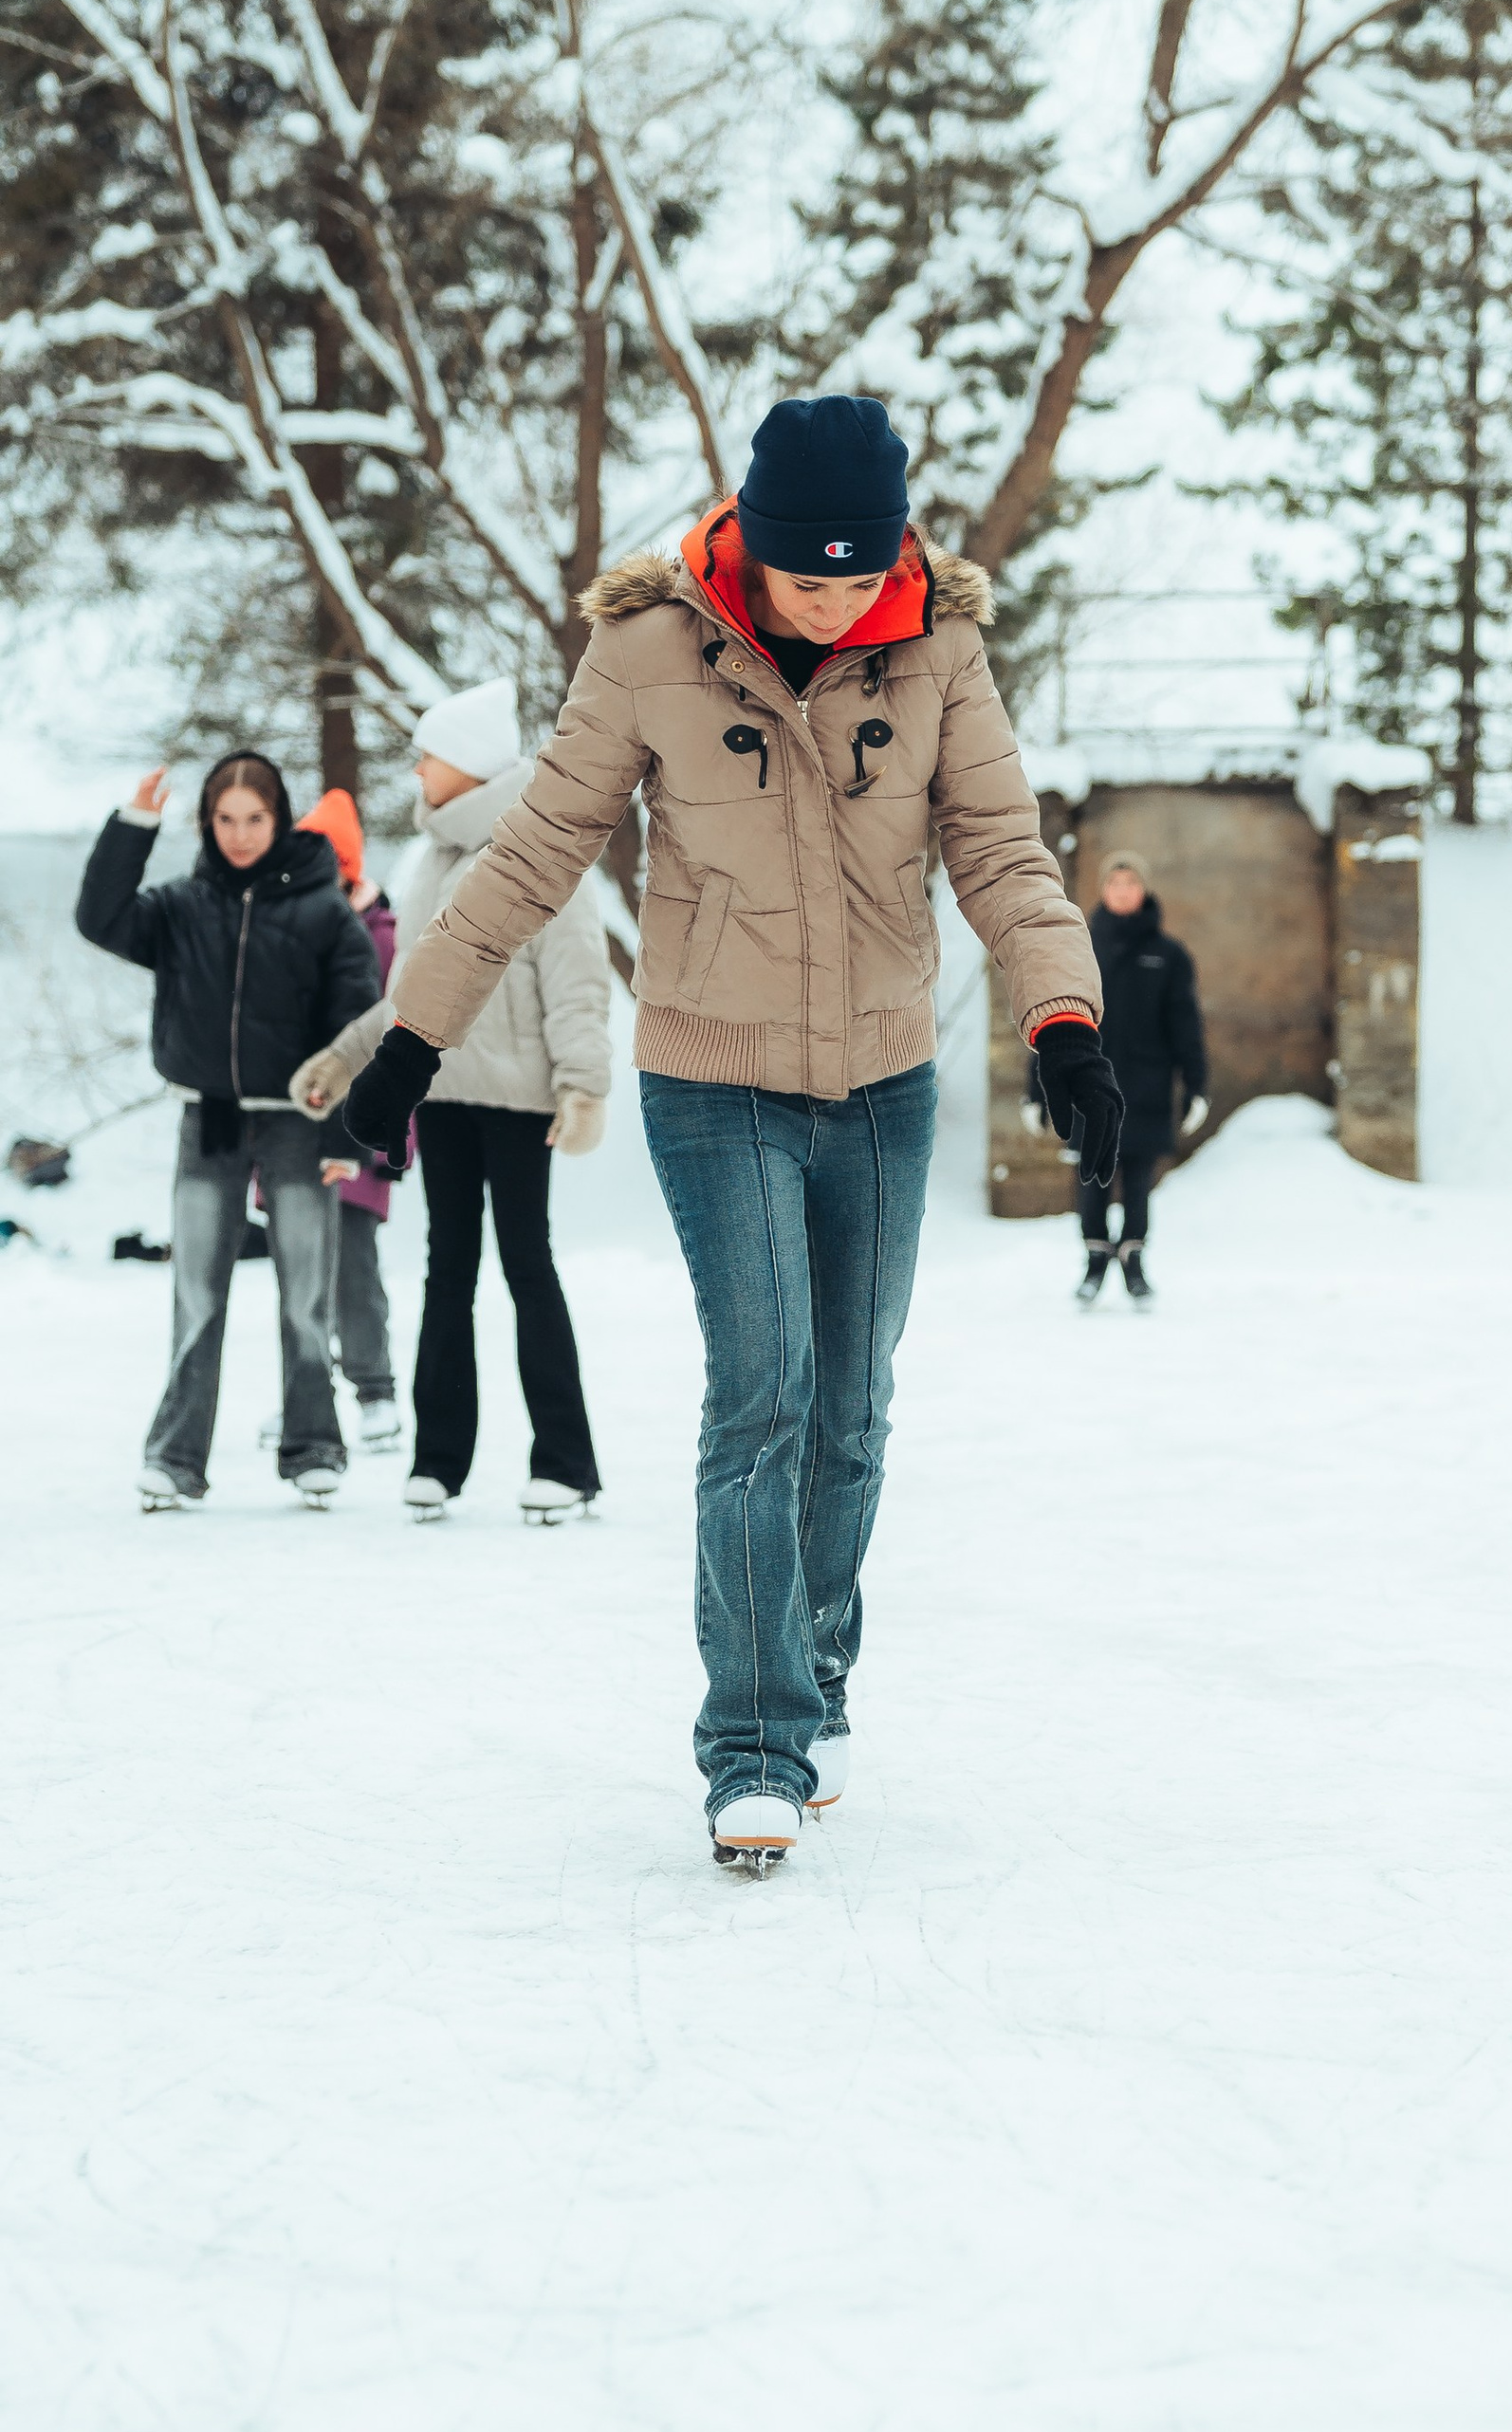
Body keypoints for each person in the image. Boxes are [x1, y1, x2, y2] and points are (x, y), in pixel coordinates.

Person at [341, 394, 1118, 1870]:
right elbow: (530, 855)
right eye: (803, 577)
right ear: (750, 548)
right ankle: (753, 1737)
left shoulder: (940, 651)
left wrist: (1062, 1020)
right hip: (712, 1080)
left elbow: (1005, 853)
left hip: (883, 1078)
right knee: (762, 1389)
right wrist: (410, 1040)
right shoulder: (649, 650)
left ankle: (813, 1667)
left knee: (852, 1407)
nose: (831, 602)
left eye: (856, 574)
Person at [295, 680, 612, 1525]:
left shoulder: (543, 848)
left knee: (526, 1265)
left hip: (517, 1104)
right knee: (447, 1272)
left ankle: (565, 1463)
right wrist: (344, 1058)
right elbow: (410, 995)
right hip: (440, 1094)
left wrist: (584, 1087)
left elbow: (579, 982)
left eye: (428, 755)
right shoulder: (430, 861)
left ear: (466, 766)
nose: (416, 769)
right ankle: (439, 1461)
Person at [77, 749, 381, 1508]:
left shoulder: (323, 910)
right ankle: (176, 1458)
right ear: (208, 825)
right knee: (197, 1296)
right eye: (225, 820)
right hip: (208, 1119)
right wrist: (134, 825)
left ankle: (314, 1446)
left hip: (300, 1125)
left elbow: (360, 1026)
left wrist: (349, 1137)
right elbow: (101, 918)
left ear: (278, 821)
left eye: (255, 819)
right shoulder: (183, 905)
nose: (240, 834)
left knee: (305, 1298)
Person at [294, 786, 402, 1452]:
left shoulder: (380, 938)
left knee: (352, 1265)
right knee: (301, 1267)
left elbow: (387, 1041)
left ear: (344, 865)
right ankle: (305, 1395)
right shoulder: (300, 927)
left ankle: (376, 1391)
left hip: (357, 1124)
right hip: (296, 1128)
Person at [1075, 852, 1208, 1305]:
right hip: (1089, 1085)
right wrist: (1039, 1089)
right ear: (1103, 890)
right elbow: (1058, 1021)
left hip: (1146, 1086)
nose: (1123, 890)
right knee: (1091, 1176)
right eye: (1115, 882)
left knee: (1137, 1180)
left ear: (1143, 890)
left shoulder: (1168, 956)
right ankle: (1094, 1260)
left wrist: (1196, 1085)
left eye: (1131, 882)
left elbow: (1185, 1025)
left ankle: (1133, 1260)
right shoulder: (1081, 949)